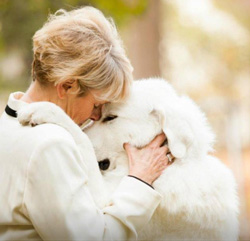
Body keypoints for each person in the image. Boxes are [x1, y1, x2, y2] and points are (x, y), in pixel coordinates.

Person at [0, 6, 170, 241]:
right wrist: (140, 181)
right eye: (97, 104)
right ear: (67, 86)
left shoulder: (7, 127)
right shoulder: (48, 144)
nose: (96, 116)